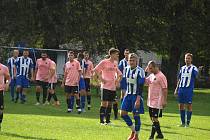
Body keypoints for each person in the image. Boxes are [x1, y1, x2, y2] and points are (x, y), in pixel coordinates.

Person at [94, 48, 122, 125]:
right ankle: (101, 121)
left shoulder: (115, 63)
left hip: (112, 87)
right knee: (104, 103)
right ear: (111, 54)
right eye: (116, 54)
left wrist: (118, 81)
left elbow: (120, 74)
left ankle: (108, 121)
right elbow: (96, 70)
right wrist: (101, 79)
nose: (117, 55)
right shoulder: (104, 62)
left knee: (110, 104)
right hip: (105, 86)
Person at [120, 53, 145, 140]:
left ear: (136, 61)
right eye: (130, 60)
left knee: (136, 115)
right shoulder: (126, 69)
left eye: (133, 60)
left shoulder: (140, 71)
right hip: (128, 95)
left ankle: (136, 136)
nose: (131, 62)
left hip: (136, 96)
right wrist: (124, 93)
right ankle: (133, 130)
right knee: (122, 114)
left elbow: (140, 86)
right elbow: (124, 83)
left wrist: (138, 99)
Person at [174, 53, 198, 127]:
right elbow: (180, 79)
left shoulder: (194, 68)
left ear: (191, 59)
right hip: (181, 89)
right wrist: (176, 89)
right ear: (184, 59)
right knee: (181, 105)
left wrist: (198, 72)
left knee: (189, 105)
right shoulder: (182, 68)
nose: (187, 59)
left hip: (188, 90)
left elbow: (197, 76)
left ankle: (187, 123)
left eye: (188, 58)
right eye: (186, 58)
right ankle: (183, 122)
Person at [145, 61, 168, 140]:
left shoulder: (161, 76)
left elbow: (165, 89)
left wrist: (164, 100)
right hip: (150, 101)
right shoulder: (151, 75)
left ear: (155, 67)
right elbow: (144, 82)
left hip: (157, 101)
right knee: (152, 119)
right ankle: (160, 135)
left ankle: (151, 137)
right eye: (149, 68)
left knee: (155, 119)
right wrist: (145, 72)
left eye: (151, 68)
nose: (150, 70)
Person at [0, 56, 10, 130]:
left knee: (1, 109)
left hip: (0, 90)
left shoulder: (4, 68)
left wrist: (7, 83)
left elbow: (8, 78)